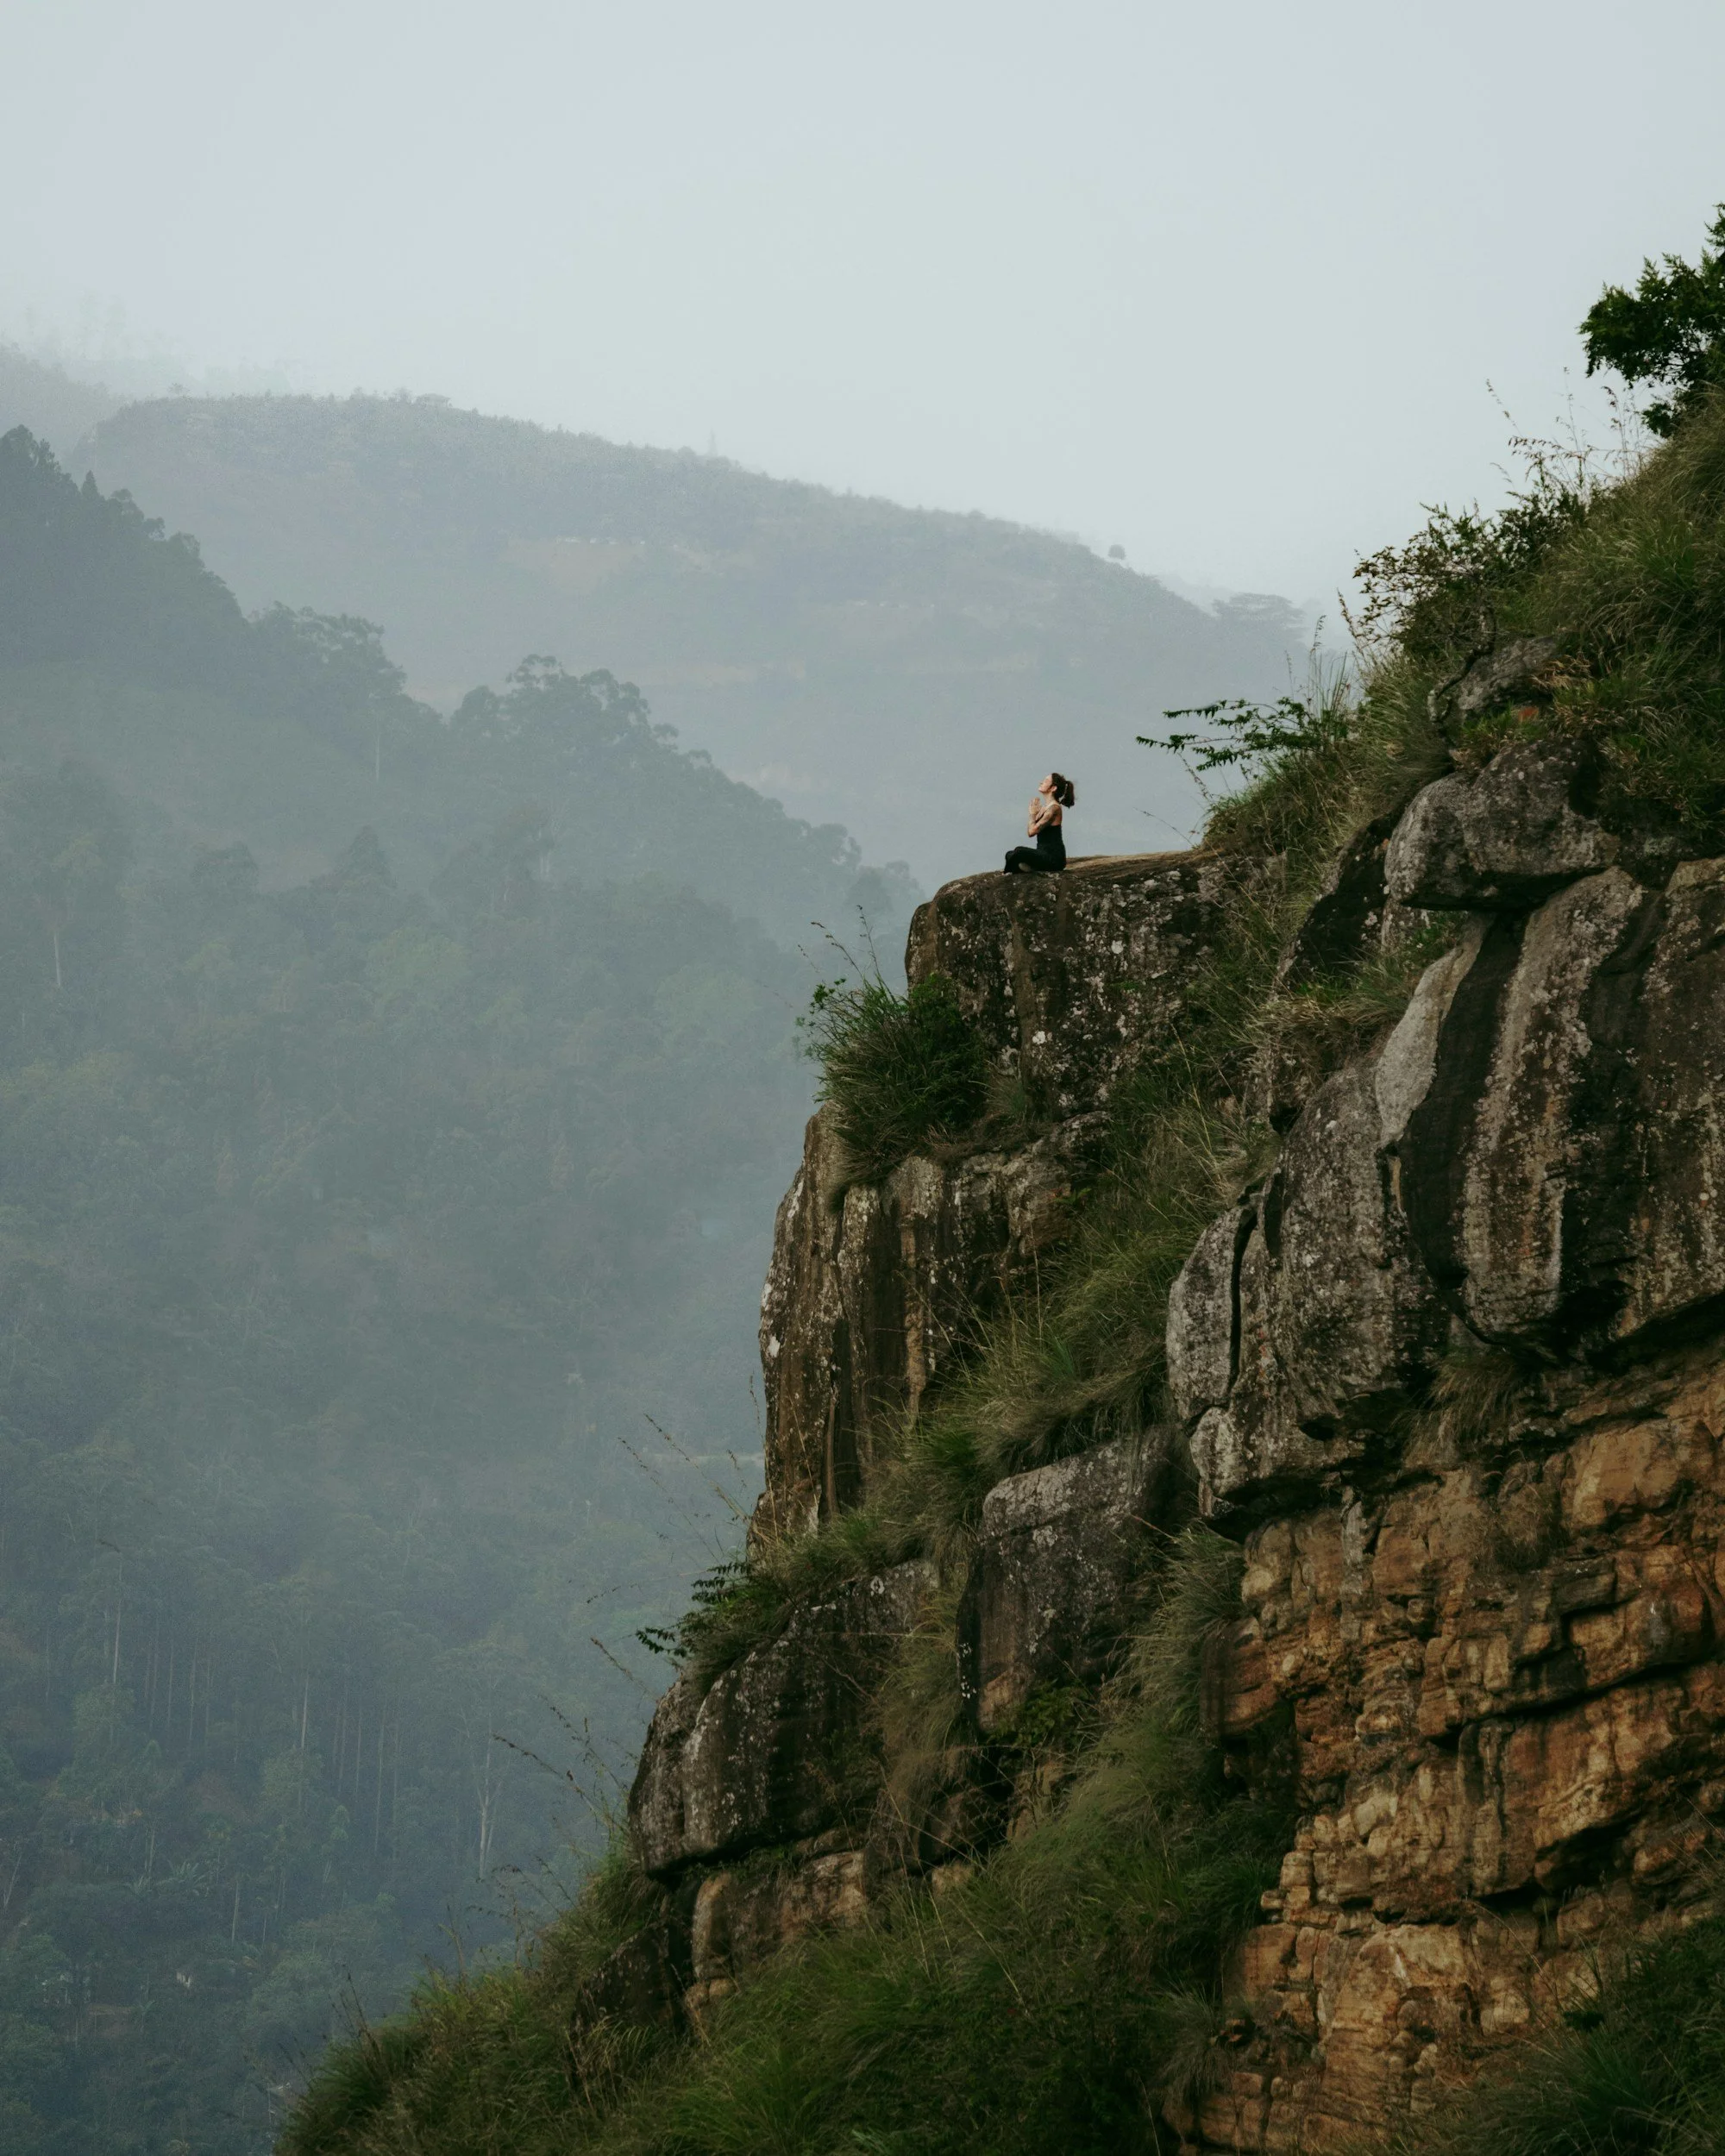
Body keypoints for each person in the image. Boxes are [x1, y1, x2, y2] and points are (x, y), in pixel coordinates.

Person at [1003, 772, 1075, 874]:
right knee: (1009, 854)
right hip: (1042, 853)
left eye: (1046, 781)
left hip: (1054, 858)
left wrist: (1032, 815)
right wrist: (1034, 814)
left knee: (1019, 851)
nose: (1041, 782)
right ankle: (1028, 869)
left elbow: (1031, 832)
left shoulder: (1054, 809)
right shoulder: (1044, 808)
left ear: (1053, 788)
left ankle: (1009, 874)